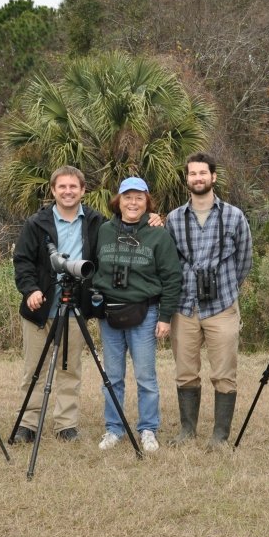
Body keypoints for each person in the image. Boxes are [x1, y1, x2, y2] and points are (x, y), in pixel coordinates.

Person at [165, 152, 253, 449]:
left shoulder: (233, 216)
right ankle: (187, 430)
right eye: (192, 174)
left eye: (203, 173)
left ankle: (220, 435)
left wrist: (227, 288)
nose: (198, 178)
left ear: (213, 177)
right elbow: (169, 263)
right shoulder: (174, 219)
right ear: (187, 179)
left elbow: (244, 259)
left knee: (224, 374)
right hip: (184, 306)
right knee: (185, 372)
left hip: (222, 306)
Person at [12, 166, 104, 443]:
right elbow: (23, 262)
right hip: (40, 308)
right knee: (34, 369)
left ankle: (66, 424)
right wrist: (30, 290)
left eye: (73, 187)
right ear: (53, 190)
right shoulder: (36, 223)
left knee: (69, 368)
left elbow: (105, 256)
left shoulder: (96, 222)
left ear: (83, 190)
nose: (68, 191)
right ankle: (28, 423)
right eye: (62, 187)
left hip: (75, 306)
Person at [92, 177, 181, 453]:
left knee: (146, 376)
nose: (133, 203)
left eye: (139, 198)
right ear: (117, 201)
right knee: (113, 376)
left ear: (147, 202)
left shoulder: (158, 234)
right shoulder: (104, 230)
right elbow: (93, 268)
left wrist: (165, 317)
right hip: (111, 314)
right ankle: (114, 428)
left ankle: (148, 429)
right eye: (127, 197)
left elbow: (172, 277)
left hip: (145, 312)